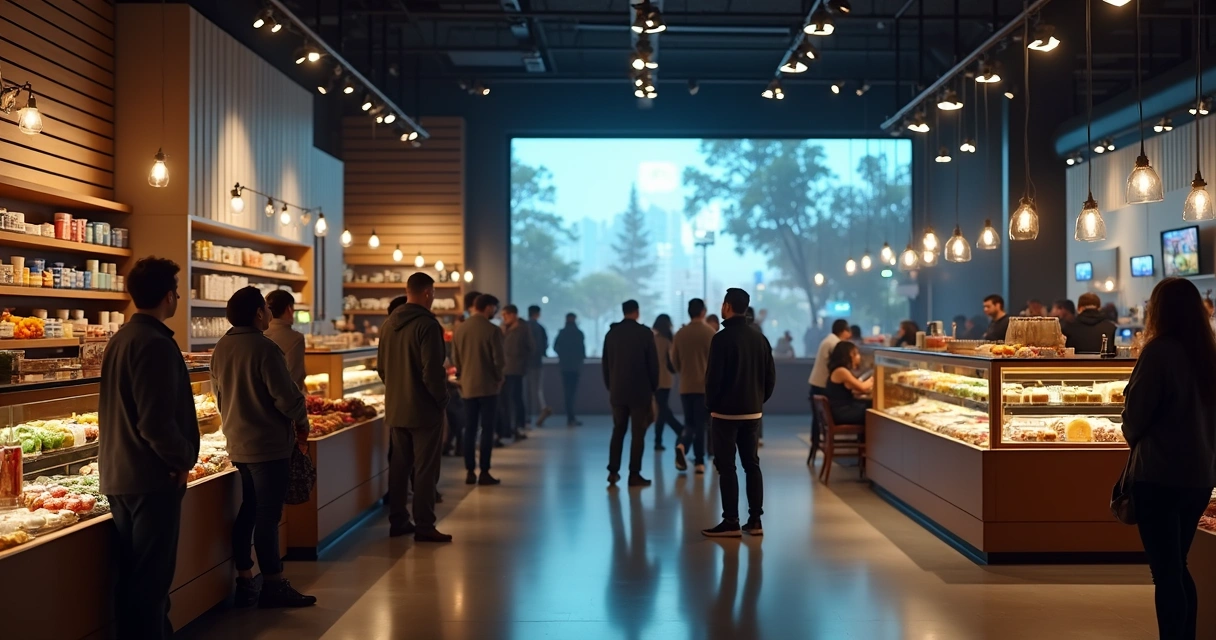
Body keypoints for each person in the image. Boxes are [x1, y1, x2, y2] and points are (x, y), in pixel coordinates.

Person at [99, 257, 199, 639]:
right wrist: (181, 459)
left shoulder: (121, 338)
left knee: (133, 581)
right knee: (152, 582)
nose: (177, 297)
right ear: (167, 296)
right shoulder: (154, 343)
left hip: (118, 475)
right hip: (152, 477)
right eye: (176, 290)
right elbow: (155, 422)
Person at [1121, 277, 1216, 639]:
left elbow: (1135, 418)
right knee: (1179, 565)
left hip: (1159, 474)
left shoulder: (1159, 352)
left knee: (1166, 572)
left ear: (1157, 310)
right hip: (1200, 475)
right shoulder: (1208, 352)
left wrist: (1131, 430)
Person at [211, 287, 315, 607]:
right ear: (258, 313)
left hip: (238, 443)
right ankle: (273, 584)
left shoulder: (221, 347)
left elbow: (218, 395)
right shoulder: (264, 348)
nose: (269, 312)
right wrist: (302, 422)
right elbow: (286, 397)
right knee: (268, 518)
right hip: (268, 445)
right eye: (265, 309)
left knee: (249, 511)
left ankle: (245, 578)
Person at [378, 272, 452, 542]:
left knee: (399, 468)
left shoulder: (388, 324)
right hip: (423, 410)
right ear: (428, 293)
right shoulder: (428, 326)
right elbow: (432, 372)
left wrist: (397, 391)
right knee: (425, 469)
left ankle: (398, 521)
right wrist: (442, 400)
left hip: (396, 408)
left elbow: (382, 369)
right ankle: (424, 525)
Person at [702, 288, 775, 538]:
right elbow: (770, 378)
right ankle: (755, 521)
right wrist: (757, 401)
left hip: (724, 415)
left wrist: (712, 405)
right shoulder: (760, 339)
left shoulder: (721, 339)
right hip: (752, 414)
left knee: (727, 466)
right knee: (751, 465)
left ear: (727, 307)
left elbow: (713, 379)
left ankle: (731, 521)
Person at [602, 299, 659, 487]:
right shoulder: (645, 333)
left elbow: (606, 364)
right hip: (640, 392)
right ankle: (634, 474)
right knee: (638, 433)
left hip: (618, 391)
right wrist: (653, 387)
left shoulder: (612, 334)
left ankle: (613, 471)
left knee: (618, 430)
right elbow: (653, 364)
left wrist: (611, 386)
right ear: (637, 312)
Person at [451, 293, 505, 485]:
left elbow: (456, 359)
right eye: (495, 308)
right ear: (489, 307)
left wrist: (462, 376)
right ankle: (484, 471)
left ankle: (469, 471)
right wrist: (499, 378)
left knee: (470, 429)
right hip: (488, 388)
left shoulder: (460, 330)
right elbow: (498, 361)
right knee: (487, 430)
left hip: (467, 387)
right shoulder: (493, 331)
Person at [672, 298, 716, 474]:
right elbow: (716, 360)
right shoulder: (710, 333)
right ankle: (699, 462)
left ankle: (682, 445)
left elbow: (674, 361)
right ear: (703, 312)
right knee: (702, 425)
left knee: (689, 423)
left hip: (685, 385)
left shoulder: (680, 334)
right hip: (704, 387)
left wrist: (683, 372)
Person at [808, 320, 851, 460]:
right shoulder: (834, 343)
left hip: (817, 383)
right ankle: (819, 443)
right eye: (848, 331)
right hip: (821, 384)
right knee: (820, 418)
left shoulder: (829, 340)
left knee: (817, 418)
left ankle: (816, 445)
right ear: (843, 331)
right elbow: (836, 366)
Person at [651, 314, 684, 450]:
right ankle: (679, 429)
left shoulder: (652, 340)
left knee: (661, 410)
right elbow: (671, 363)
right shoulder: (668, 341)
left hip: (654, 380)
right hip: (665, 379)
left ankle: (659, 440)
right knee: (663, 410)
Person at [501, 304, 533, 441]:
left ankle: (519, 424)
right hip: (503, 369)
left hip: (516, 368)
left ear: (513, 315)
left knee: (516, 397)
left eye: (506, 315)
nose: (504, 318)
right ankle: (508, 426)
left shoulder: (523, 329)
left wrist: (522, 360)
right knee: (506, 400)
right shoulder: (502, 329)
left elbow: (531, 347)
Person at [263, 290, 306, 391]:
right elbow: (295, 377)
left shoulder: (258, 333)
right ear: (289, 309)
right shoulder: (295, 339)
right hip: (283, 400)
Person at [824, 341, 874, 425]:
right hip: (842, 412)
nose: (859, 357)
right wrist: (876, 376)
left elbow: (856, 388)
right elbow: (863, 387)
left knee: (868, 405)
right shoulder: (841, 371)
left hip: (841, 410)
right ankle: (870, 437)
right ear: (850, 355)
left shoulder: (840, 370)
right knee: (871, 411)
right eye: (856, 353)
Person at [554, 313, 586, 427]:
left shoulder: (562, 333)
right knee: (572, 392)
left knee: (567, 392)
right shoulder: (578, 333)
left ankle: (570, 416)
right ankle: (571, 417)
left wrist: (562, 356)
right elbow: (582, 350)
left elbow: (555, 347)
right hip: (575, 367)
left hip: (564, 366)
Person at [525, 305, 553, 427]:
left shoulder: (524, 327)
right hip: (537, 362)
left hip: (525, 363)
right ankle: (542, 408)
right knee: (537, 389)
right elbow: (545, 344)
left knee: (526, 390)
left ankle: (528, 415)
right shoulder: (540, 328)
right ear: (538, 314)